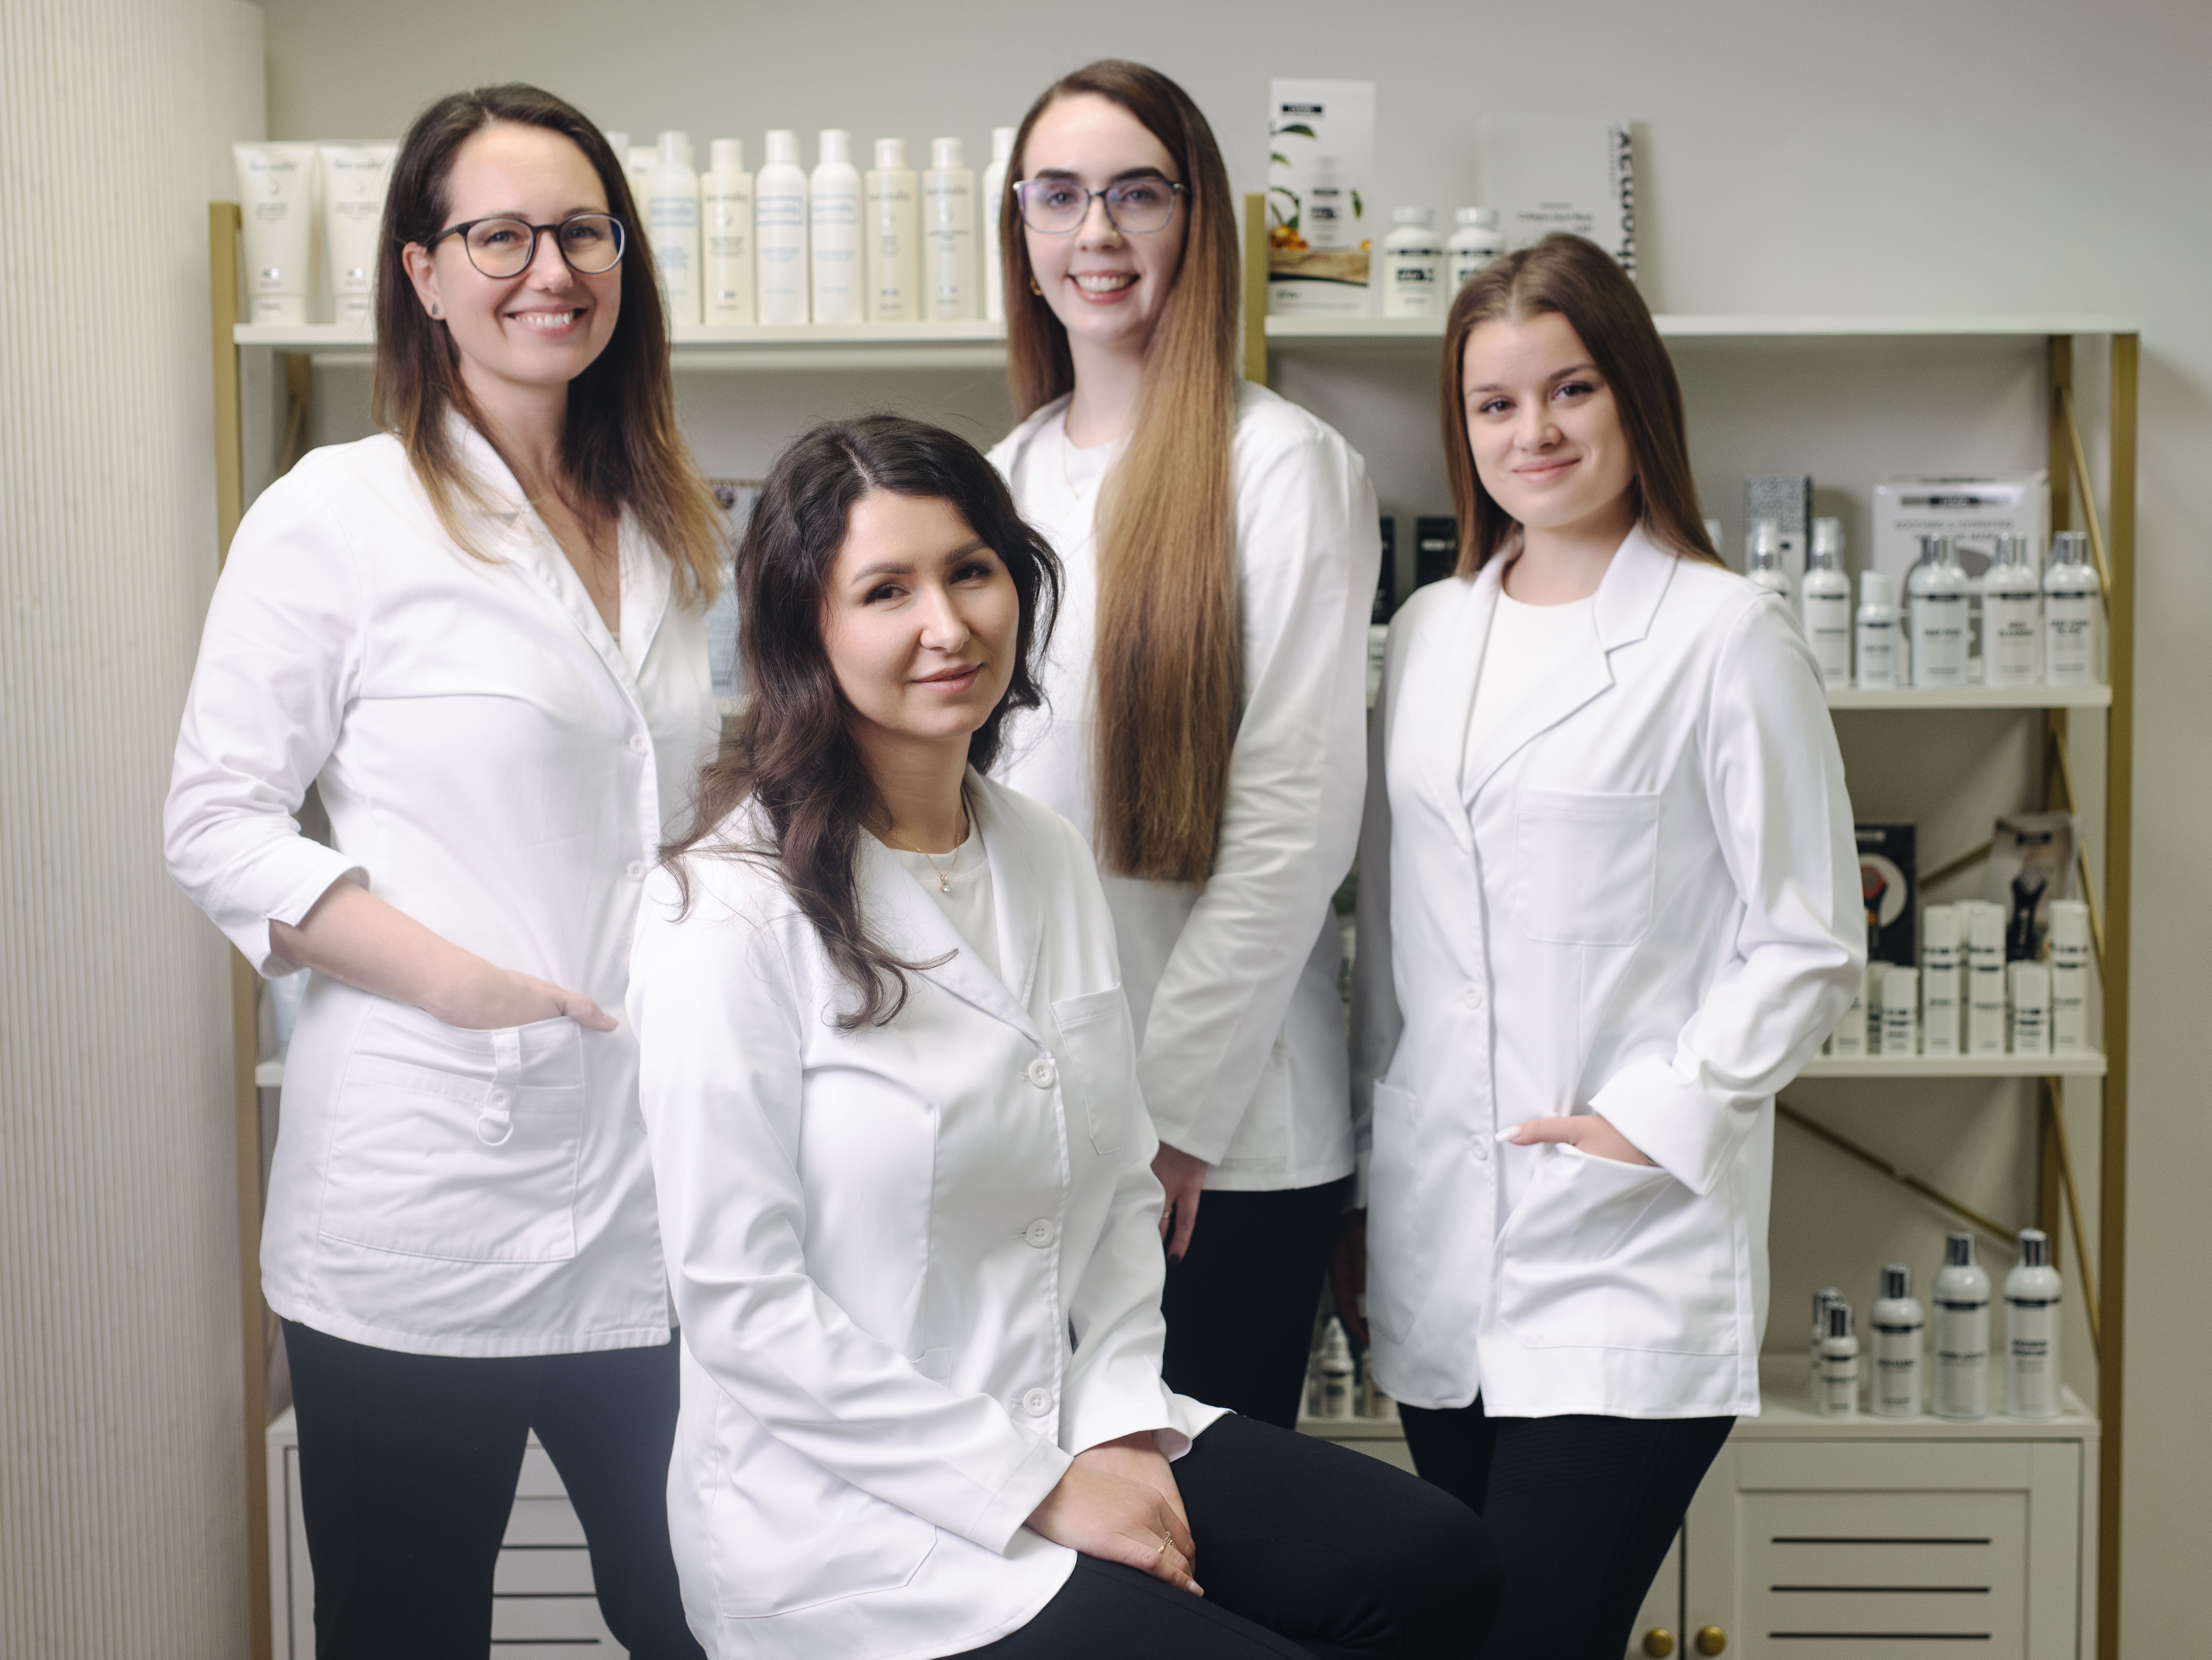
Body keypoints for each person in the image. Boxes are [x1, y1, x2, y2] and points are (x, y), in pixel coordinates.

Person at [630, 414, 1499, 1660]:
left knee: (1435, 1565)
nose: (949, 625)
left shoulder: (1035, 851)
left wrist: (1117, 1429)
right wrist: (1036, 1487)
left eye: (971, 571)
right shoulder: (727, 908)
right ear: (804, 632)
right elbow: (741, 1309)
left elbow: (1110, 1200)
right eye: (886, 590)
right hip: (853, 1519)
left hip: (1066, 1411)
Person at [164, 84, 720, 1658]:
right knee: (409, 1631)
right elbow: (214, 816)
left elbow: (662, 808)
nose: (552, 268)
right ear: (421, 271)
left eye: (585, 230)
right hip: (422, 1202)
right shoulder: (337, 513)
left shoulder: (662, 519)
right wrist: (455, 978)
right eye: (501, 234)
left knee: (704, 1610)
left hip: (653, 1193)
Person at [1345, 233, 1864, 1660]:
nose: (1536, 433)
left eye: (1569, 390)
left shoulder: (1722, 634)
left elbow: (1811, 939)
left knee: (1533, 1634)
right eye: (1495, 404)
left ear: (1634, 395)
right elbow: (1400, 940)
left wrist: (1646, 1121)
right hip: (1446, 1247)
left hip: (1623, 1249)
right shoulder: (1433, 630)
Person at [986, 60, 1379, 1428]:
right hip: (1042, 1136)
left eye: (1138, 193)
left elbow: (1295, 821)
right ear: (1022, 233)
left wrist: (1165, 1122)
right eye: (1062, 196)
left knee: (1203, 1566)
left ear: (1198, 223)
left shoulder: (1283, 468)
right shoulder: (1005, 474)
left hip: (1216, 1150)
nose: (1098, 232)